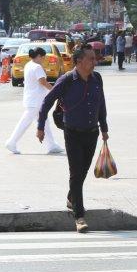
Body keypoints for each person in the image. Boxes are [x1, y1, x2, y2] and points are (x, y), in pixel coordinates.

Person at [37, 46, 108, 233]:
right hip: (73, 133)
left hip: (92, 132)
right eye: (91, 59)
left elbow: (101, 103)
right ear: (79, 62)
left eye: (95, 59)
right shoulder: (67, 80)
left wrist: (104, 129)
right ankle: (79, 216)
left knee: (83, 171)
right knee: (76, 173)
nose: (94, 62)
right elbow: (47, 101)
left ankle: (71, 197)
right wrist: (40, 127)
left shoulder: (97, 79)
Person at [5, 47, 62, 155]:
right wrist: (55, 91)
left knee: (44, 122)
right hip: (35, 100)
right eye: (43, 57)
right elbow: (43, 82)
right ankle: (12, 141)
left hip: (33, 99)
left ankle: (51, 145)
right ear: (39, 56)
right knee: (26, 122)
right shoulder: (37, 67)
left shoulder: (28, 65)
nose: (44, 60)